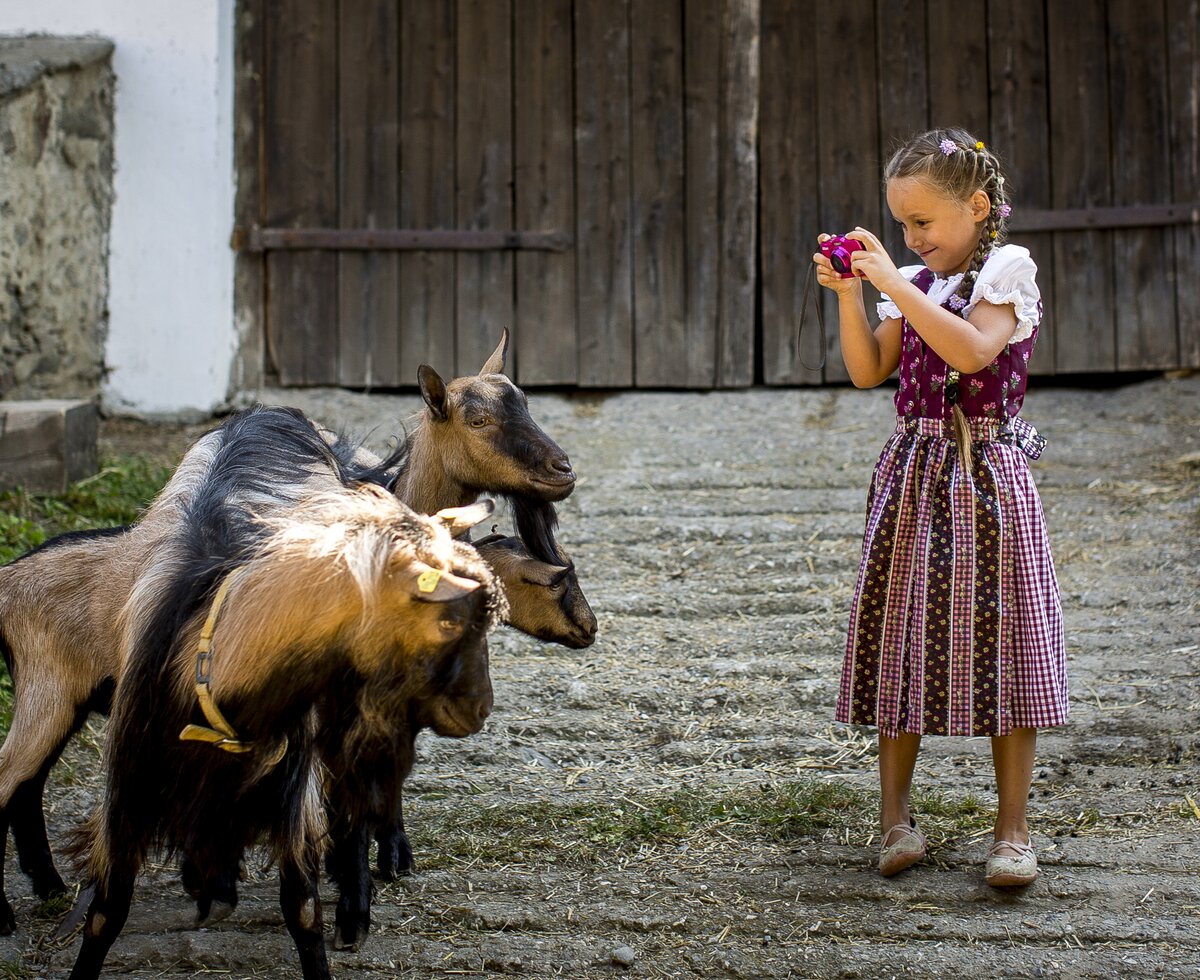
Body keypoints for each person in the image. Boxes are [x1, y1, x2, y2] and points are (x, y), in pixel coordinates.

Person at [813, 127, 1066, 888]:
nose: (911, 237)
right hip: (914, 471)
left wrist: (892, 282)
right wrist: (852, 297)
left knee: (1009, 640)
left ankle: (1013, 830)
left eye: (923, 222)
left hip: (985, 469)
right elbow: (868, 371)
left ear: (978, 207)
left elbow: (972, 353)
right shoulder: (916, 282)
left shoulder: (1005, 269)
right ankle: (895, 820)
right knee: (902, 634)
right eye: (901, 224)